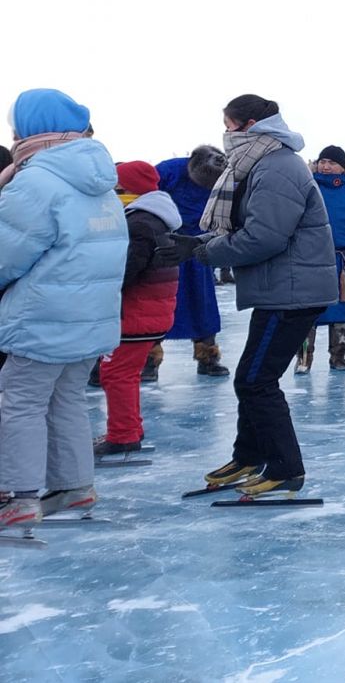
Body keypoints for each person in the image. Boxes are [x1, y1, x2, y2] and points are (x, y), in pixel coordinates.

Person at [171, 94, 337, 499]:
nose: (224, 134)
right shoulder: (260, 163)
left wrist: (203, 251)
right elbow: (251, 228)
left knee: (255, 380)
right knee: (252, 377)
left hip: (293, 291)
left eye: (227, 125)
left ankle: (284, 468)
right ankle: (249, 456)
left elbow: (265, 236)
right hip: (281, 288)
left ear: (246, 126)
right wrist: (196, 241)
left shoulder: (276, 167)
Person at [0, 90, 126, 531]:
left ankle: (20, 495)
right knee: (67, 399)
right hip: (90, 318)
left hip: (42, 318)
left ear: (32, 129)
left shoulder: (37, 183)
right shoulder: (100, 182)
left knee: (20, 403)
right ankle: (74, 485)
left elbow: (5, 255)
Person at [98, 161, 182, 457]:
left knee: (116, 373)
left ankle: (123, 436)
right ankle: (129, 427)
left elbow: (126, 270)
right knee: (125, 372)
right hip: (149, 310)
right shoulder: (156, 217)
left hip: (135, 313)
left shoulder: (140, 223)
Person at [151, 145, 231, 380]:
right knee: (157, 304)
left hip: (198, 247)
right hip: (165, 247)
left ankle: (208, 357)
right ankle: (149, 359)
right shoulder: (169, 171)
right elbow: (146, 200)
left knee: (202, 304)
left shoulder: (227, 178)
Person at [296, 146, 345, 374]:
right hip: (311, 258)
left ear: (343, 166)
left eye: (331, 162)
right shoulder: (306, 188)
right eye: (322, 161)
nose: (325, 166)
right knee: (306, 312)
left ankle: (338, 356)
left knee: (342, 311)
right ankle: (303, 358)